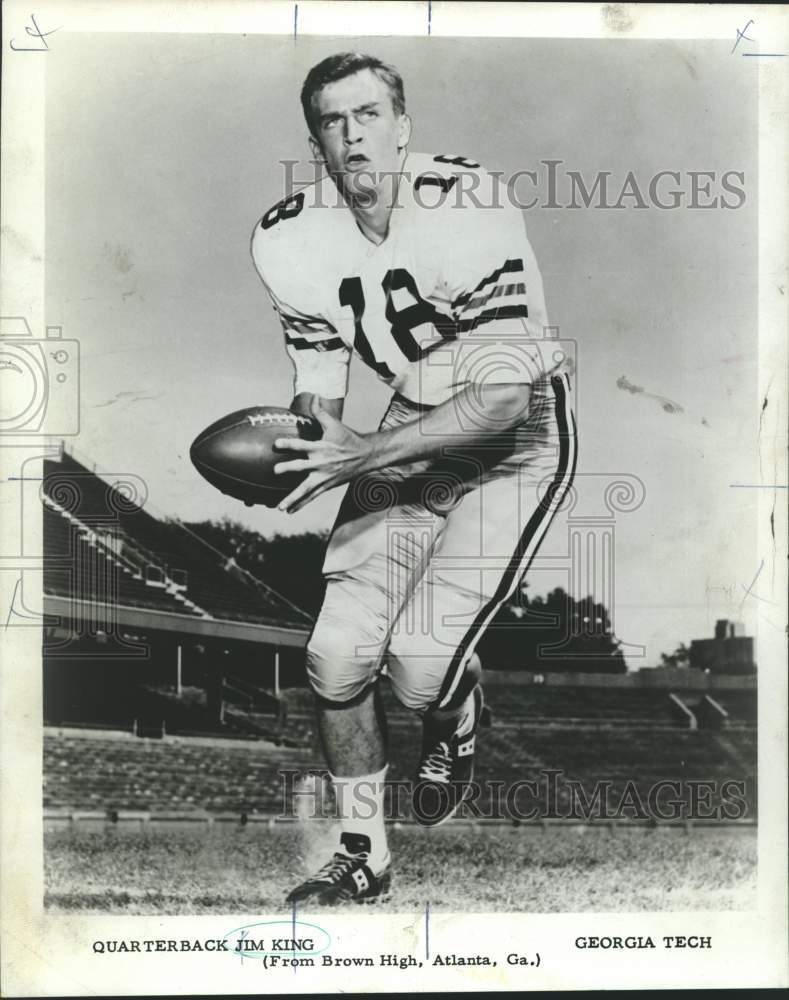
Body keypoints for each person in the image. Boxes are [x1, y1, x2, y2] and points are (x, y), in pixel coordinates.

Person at [251, 52, 576, 904]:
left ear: (402, 125)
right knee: (333, 656)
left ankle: (457, 711)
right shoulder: (286, 236)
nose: (352, 135)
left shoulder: (465, 204)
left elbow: (503, 397)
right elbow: (318, 370)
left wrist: (360, 455)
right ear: (314, 137)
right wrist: (304, 446)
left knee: (418, 669)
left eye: (368, 115)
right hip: (404, 429)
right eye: (332, 120)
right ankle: (364, 854)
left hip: (512, 434)